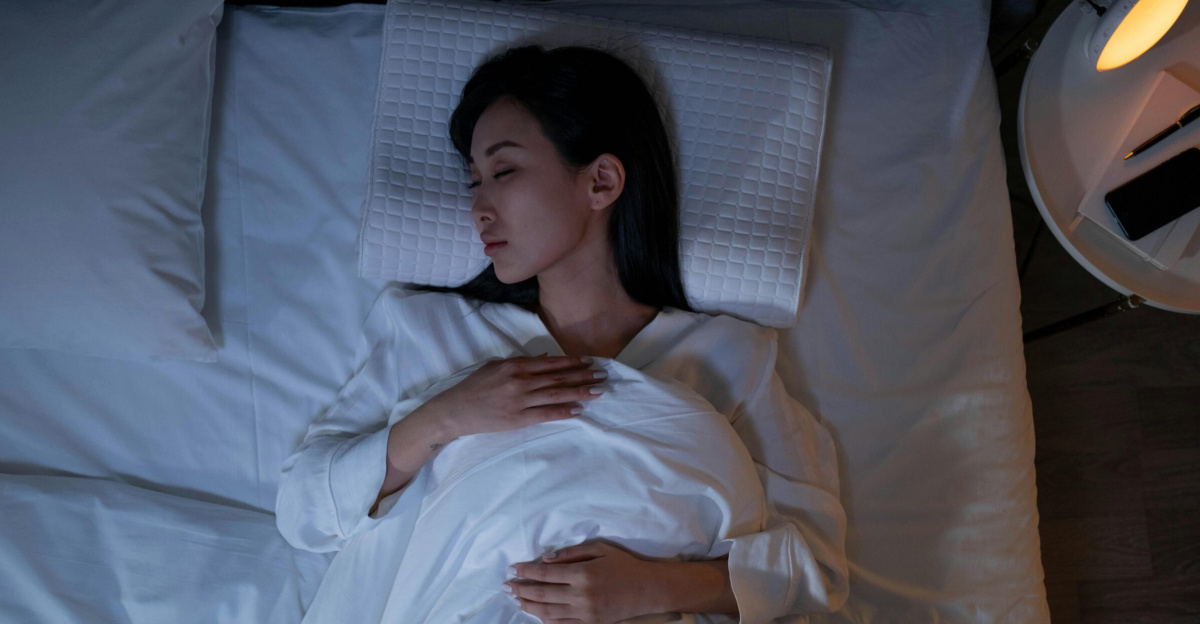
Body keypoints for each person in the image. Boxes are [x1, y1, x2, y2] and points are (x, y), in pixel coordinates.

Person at [276, 44, 847, 624]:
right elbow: (304, 512)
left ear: (601, 180)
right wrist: (446, 416)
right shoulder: (429, 331)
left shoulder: (729, 356)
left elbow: (815, 571)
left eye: (503, 171)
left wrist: (657, 588)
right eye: (474, 180)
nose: (478, 207)